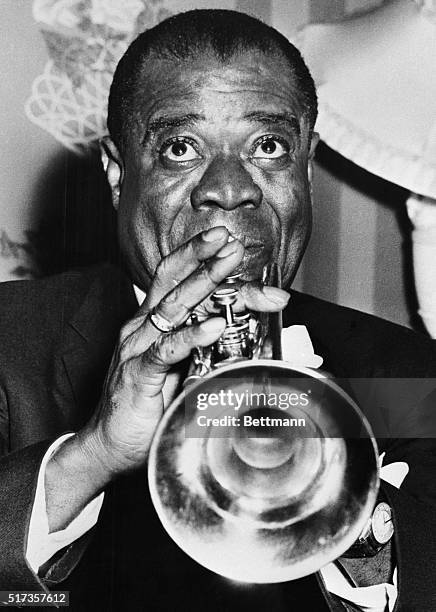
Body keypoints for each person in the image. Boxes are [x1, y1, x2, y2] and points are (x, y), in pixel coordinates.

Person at [0, 9, 435, 612]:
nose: (231, 188)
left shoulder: (410, 378)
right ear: (118, 174)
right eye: (181, 147)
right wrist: (93, 454)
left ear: (305, 168)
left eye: (268, 145)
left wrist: (354, 527)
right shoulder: (7, 342)